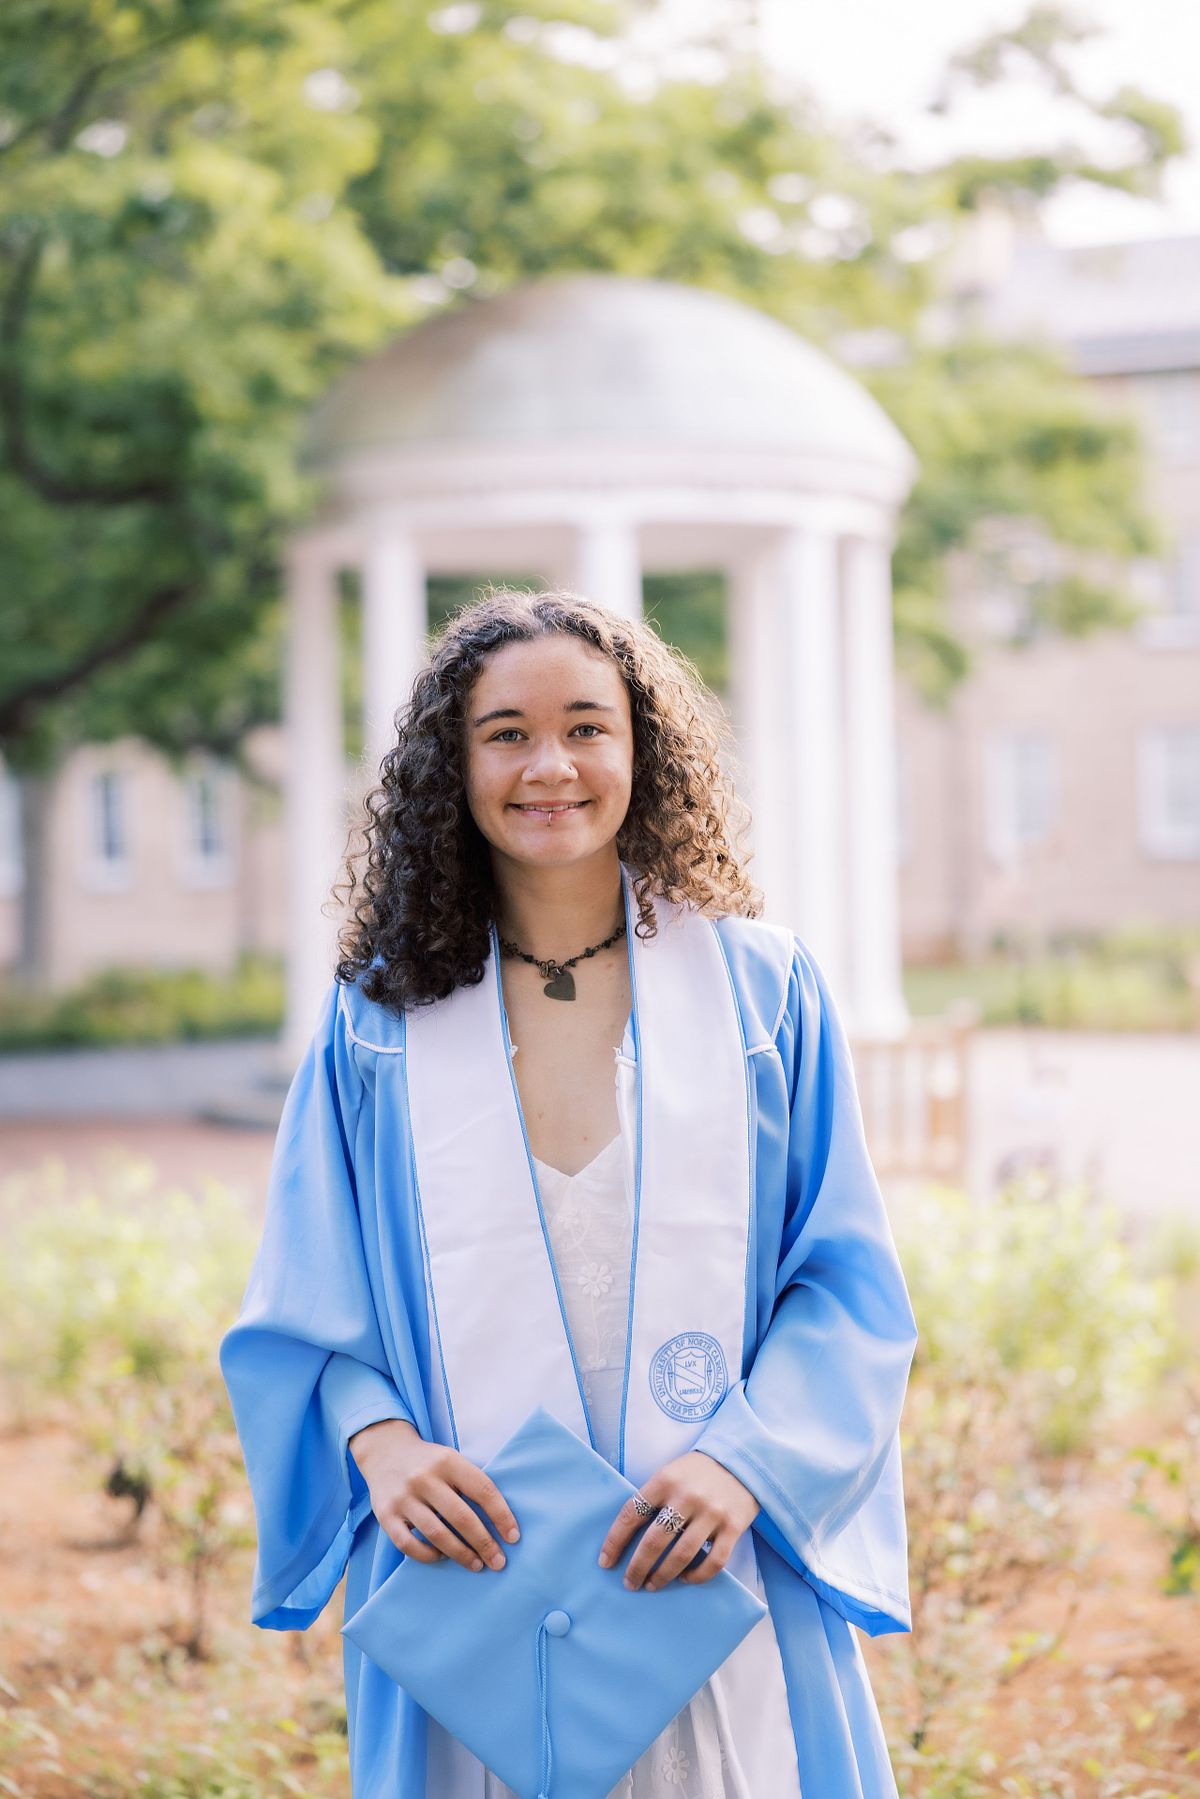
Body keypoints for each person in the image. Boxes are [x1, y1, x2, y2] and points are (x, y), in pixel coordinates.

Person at [219, 587, 920, 1799]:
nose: (550, 765)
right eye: (507, 733)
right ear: (455, 764)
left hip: (715, 1560)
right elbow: (309, 1300)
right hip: (481, 1583)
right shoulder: (380, 1022)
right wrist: (381, 1446)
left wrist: (748, 1462)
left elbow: (844, 1285)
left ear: (643, 749)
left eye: (588, 726)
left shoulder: (761, 994)